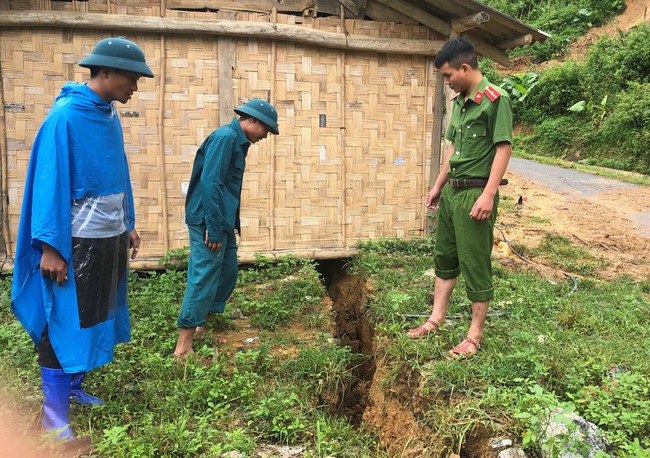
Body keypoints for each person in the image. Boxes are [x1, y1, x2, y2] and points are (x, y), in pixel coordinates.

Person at [11, 36, 153, 441]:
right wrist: (52, 248)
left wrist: (127, 221)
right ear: (104, 72)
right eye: (131, 77)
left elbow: (117, 170)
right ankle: (53, 417)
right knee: (63, 318)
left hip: (106, 238)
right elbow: (49, 183)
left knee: (93, 313)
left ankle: (73, 387)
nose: (135, 86)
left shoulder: (108, 114)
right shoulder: (65, 117)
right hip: (73, 242)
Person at [406, 37, 512, 358]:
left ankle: (474, 335)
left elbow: (503, 148)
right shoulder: (461, 103)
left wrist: (489, 194)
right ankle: (436, 318)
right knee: (445, 257)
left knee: (474, 262)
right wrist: (438, 185)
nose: (448, 82)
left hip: (476, 194)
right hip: (453, 192)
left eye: (449, 76)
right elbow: (452, 149)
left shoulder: (496, 100)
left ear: (465, 68)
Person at [173, 99, 279, 358]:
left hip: (222, 219)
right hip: (209, 220)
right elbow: (211, 184)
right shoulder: (225, 139)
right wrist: (215, 226)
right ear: (252, 121)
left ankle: (201, 321)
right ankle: (183, 344)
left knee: (228, 269)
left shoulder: (238, 142)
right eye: (266, 129)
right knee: (205, 273)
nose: (266, 136)